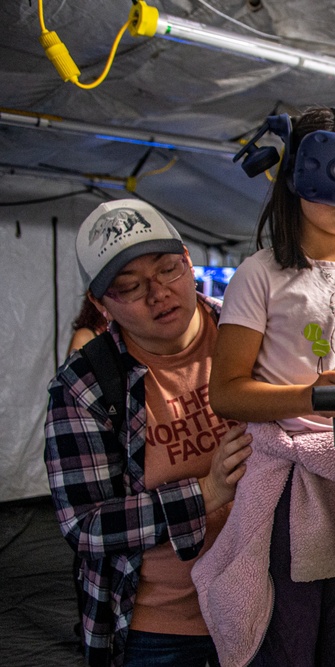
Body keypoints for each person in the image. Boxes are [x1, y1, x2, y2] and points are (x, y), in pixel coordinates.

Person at [198, 107, 335, 667]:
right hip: (289, 487)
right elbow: (226, 391)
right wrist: (312, 396)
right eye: (332, 176)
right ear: (297, 173)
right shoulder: (261, 274)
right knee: (287, 635)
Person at [44, 198, 254, 667]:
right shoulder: (86, 384)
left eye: (168, 270)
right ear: (102, 305)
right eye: (130, 287)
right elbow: (85, 525)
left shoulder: (246, 333)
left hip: (264, 601)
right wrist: (206, 492)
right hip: (159, 629)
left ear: (187, 260)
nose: (158, 293)